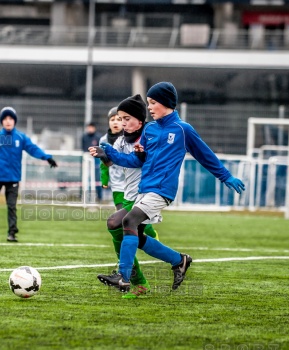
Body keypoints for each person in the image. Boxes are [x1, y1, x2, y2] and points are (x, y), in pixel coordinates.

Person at [90, 82, 245, 293]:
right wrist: (109, 153)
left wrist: (225, 176)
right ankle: (178, 260)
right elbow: (136, 161)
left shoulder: (183, 130)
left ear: (166, 103)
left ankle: (123, 277)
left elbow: (204, 155)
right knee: (127, 229)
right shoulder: (150, 129)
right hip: (145, 190)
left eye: (153, 103)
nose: (150, 108)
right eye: (148, 103)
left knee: (129, 221)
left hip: (162, 190)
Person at [97, 95, 160, 299]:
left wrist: (136, 155)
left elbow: (133, 161)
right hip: (124, 193)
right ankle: (174, 262)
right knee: (119, 228)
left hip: (144, 195)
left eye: (124, 118)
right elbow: (110, 162)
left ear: (139, 121)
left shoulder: (148, 136)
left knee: (120, 226)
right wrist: (102, 156)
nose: (120, 122)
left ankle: (132, 279)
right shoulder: (117, 140)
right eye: (117, 118)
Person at [0, 107, 58, 242]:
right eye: (5, 119)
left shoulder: (21, 137)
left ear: (14, 121)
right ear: (2, 121)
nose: (8, 121)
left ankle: (12, 233)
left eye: (11, 119)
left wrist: (47, 157)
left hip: (13, 178)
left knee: (12, 206)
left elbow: (33, 149)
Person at [82, 122, 103, 201]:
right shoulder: (84, 137)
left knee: (97, 178)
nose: (90, 129)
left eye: (91, 127)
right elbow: (83, 148)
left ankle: (99, 197)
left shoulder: (98, 137)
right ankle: (86, 196)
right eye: (88, 127)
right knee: (86, 178)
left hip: (96, 159)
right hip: (86, 159)